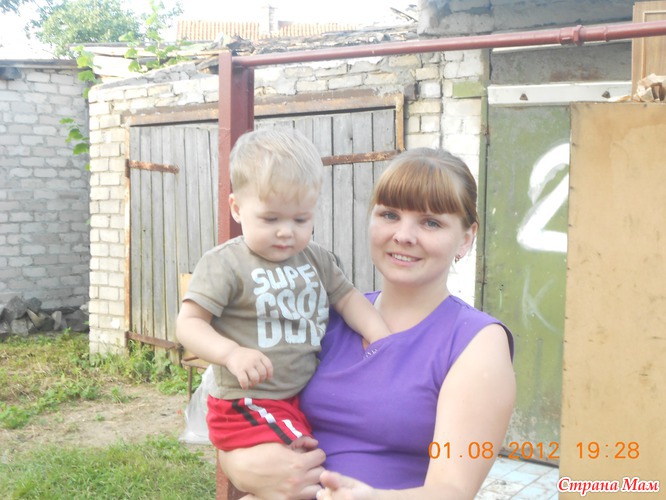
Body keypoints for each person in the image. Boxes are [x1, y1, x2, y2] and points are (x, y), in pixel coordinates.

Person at [217, 147, 516, 500]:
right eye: (390, 215)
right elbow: (242, 413)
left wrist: (372, 497)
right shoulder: (325, 316)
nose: (404, 235)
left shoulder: (475, 342)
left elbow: (452, 490)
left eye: (431, 222)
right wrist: (239, 464)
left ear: (465, 239)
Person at [176, 128, 390, 456]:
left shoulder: (316, 259)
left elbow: (348, 299)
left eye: (301, 219)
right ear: (237, 208)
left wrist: (383, 340)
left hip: (300, 397)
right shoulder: (226, 263)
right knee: (303, 456)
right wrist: (231, 354)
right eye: (270, 218)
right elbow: (188, 324)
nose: (286, 232)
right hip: (247, 403)